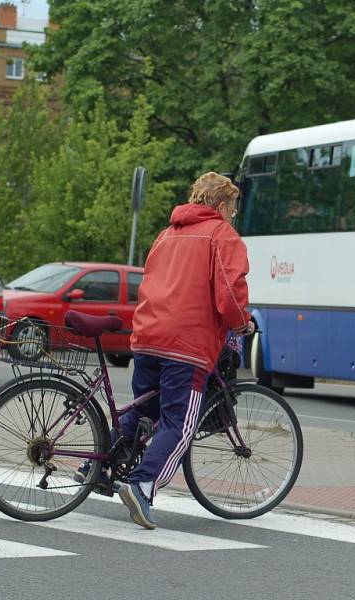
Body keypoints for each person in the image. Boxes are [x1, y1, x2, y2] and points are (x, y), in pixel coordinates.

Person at [116, 171, 254, 529]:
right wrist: (242, 323)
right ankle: (143, 485)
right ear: (222, 205)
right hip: (187, 345)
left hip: (147, 335)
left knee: (143, 411)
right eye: (233, 207)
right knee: (180, 424)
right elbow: (229, 293)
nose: (233, 214)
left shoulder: (166, 234)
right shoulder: (222, 236)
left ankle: (99, 465)